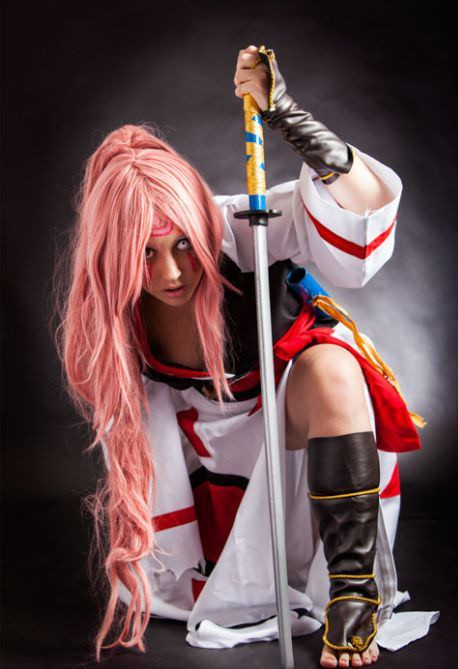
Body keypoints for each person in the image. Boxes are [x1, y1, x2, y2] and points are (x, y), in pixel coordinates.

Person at [54, 45, 435, 669]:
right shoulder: (109, 298)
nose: (171, 273)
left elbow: (362, 219)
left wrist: (290, 119)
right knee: (196, 581)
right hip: (200, 454)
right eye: (145, 253)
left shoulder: (243, 227)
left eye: (183, 244)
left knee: (332, 364)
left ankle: (353, 593)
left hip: (288, 429)